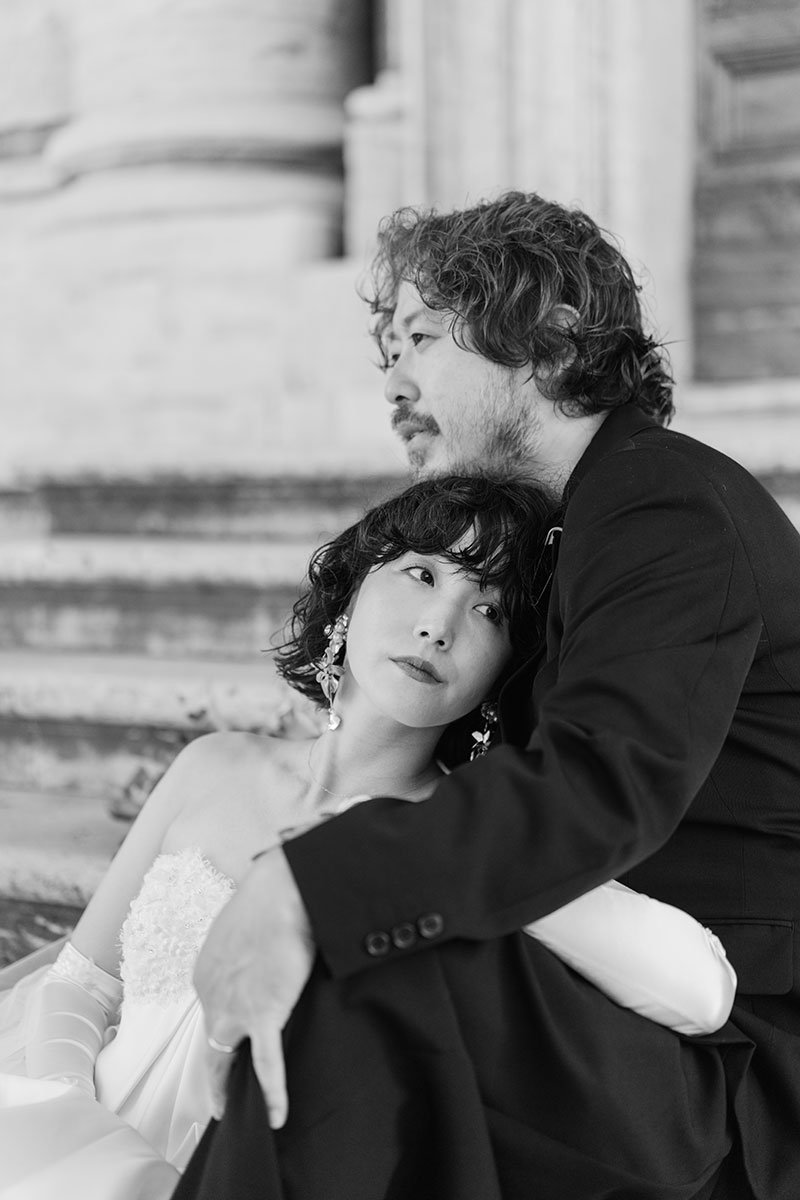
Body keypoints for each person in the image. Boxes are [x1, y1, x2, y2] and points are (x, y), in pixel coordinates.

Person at [178, 192, 800, 1200]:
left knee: (355, 961)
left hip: (733, 1063)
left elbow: (597, 786)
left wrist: (306, 883)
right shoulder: (571, 531)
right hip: (606, 992)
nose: (392, 383)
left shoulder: (662, 502)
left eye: (417, 337)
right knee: (378, 953)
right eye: (385, 352)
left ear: (546, 336)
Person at [0, 475, 737, 1199]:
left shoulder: (454, 837)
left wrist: (453, 852)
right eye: (422, 574)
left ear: (502, 674)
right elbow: (81, 982)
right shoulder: (213, 765)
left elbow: (702, 992)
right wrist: (71, 1121)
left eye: (491, 612)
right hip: (70, 1136)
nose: (439, 625)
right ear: (353, 590)